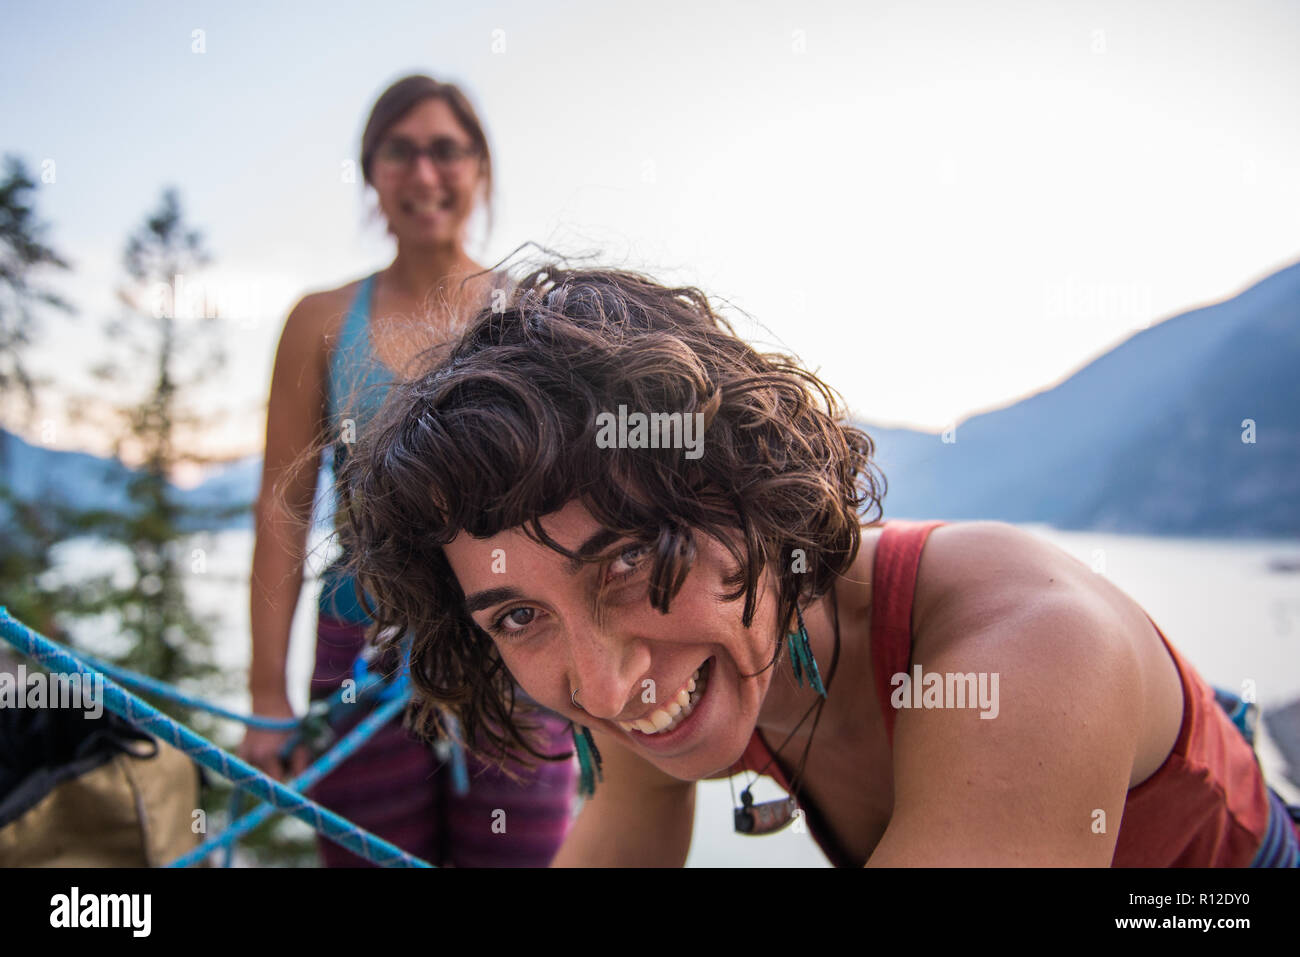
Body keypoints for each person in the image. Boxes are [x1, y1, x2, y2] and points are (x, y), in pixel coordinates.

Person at [331, 264, 1300, 867]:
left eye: (624, 558)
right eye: (515, 617)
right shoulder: (661, 666)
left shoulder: (1027, 653)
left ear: (741, 483)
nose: (601, 681)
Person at [240, 75, 575, 867]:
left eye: (446, 151)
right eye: (400, 153)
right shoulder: (320, 323)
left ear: (480, 170)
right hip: (361, 650)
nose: (425, 174)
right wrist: (265, 694)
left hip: (517, 651)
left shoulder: (533, 312)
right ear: (371, 174)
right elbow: (283, 510)